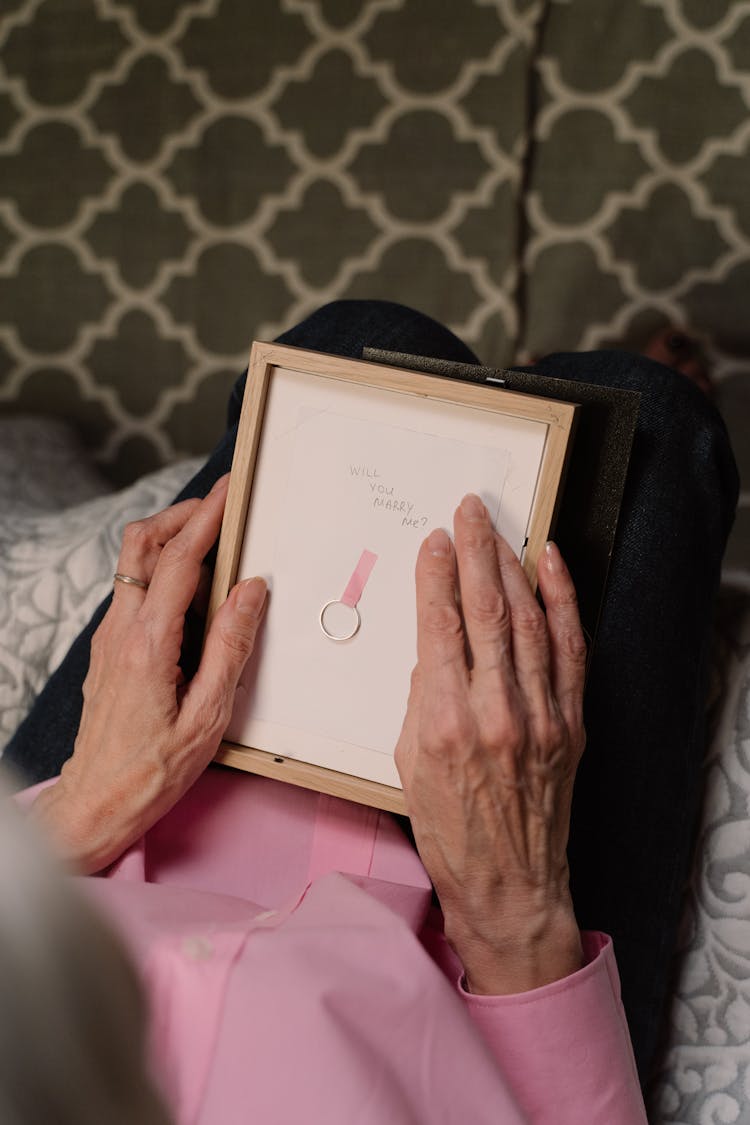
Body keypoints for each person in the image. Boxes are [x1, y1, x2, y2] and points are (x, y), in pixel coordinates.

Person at [4, 301, 738, 1113]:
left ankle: (518, 424)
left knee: (359, 345)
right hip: (482, 952)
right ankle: (550, 433)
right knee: (653, 423)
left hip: (101, 855)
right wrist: (514, 910)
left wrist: (84, 800)